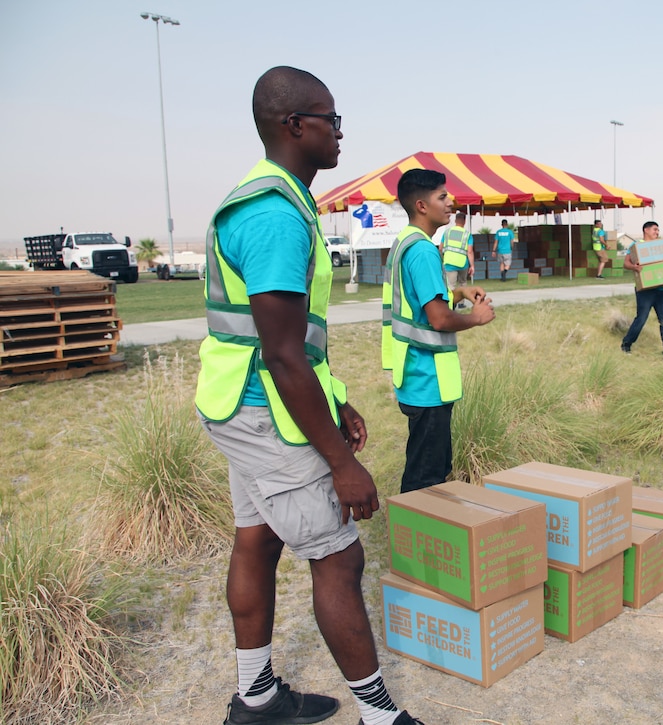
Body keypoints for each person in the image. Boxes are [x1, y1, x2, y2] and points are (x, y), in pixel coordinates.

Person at [195, 66, 423, 725]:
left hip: (239, 399)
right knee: (338, 554)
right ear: (295, 125)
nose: (340, 131)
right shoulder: (275, 216)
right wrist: (341, 461)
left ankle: (256, 698)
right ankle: (380, 716)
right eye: (331, 119)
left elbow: (297, 343)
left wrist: (338, 400)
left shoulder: (270, 199)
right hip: (263, 407)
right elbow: (283, 353)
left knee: (258, 541)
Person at [382, 169, 495, 493]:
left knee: (425, 464)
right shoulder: (423, 251)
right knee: (426, 477)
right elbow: (439, 319)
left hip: (415, 377)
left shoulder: (406, 241)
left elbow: (423, 303)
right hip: (427, 379)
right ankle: (414, 540)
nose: (450, 203)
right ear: (421, 205)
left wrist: (459, 293)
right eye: (442, 197)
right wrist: (476, 317)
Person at [620, 220, 663, 356]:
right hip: (644, 290)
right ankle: (627, 344)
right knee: (641, 319)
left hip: (661, 290)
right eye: (655, 229)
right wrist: (634, 267)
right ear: (646, 230)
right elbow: (626, 263)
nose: (657, 232)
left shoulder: (661, 246)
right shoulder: (636, 245)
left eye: (658, 230)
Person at [439, 211, 474, 294]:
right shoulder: (467, 234)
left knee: (451, 285)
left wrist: (442, 259)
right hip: (462, 263)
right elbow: (470, 251)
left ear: (455, 221)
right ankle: (462, 303)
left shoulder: (447, 232)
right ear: (464, 221)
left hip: (449, 262)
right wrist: (472, 266)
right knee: (463, 283)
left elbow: (440, 248)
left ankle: (452, 304)